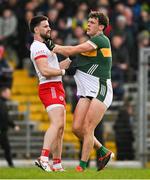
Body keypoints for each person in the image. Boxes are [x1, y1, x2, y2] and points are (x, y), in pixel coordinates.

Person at [45, 11, 114, 171]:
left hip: (100, 89)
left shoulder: (100, 40)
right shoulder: (87, 47)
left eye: (92, 22)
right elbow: (63, 65)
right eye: (88, 21)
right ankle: (104, 151)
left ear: (101, 27)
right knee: (77, 129)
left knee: (88, 128)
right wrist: (42, 65)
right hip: (87, 92)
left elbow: (70, 51)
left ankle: (81, 167)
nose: (88, 24)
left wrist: (54, 46)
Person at [29, 15, 70, 172]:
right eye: (45, 26)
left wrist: (70, 59)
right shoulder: (37, 47)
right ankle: (43, 158)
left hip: (56, 85)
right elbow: (45, 71)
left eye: (49, 25)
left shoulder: (45, 46)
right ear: (36, 29)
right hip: (49, 86)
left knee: (60, 128)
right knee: (57, 123)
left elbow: (54, 66)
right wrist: (63, 71)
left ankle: (57, 164)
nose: (49, 28)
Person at [0, 87, 20, 167]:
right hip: (1, 130)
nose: (9, 95)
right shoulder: (1, 103)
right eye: (8, 93)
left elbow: (6, 117)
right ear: (3, 93)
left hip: (3, 130)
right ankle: (11, 165)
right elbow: (5, 117)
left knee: (7, 148)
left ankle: (11, 164)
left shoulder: (3, 103)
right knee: (7, 148)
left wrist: (13, 125)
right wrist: (14, 125)